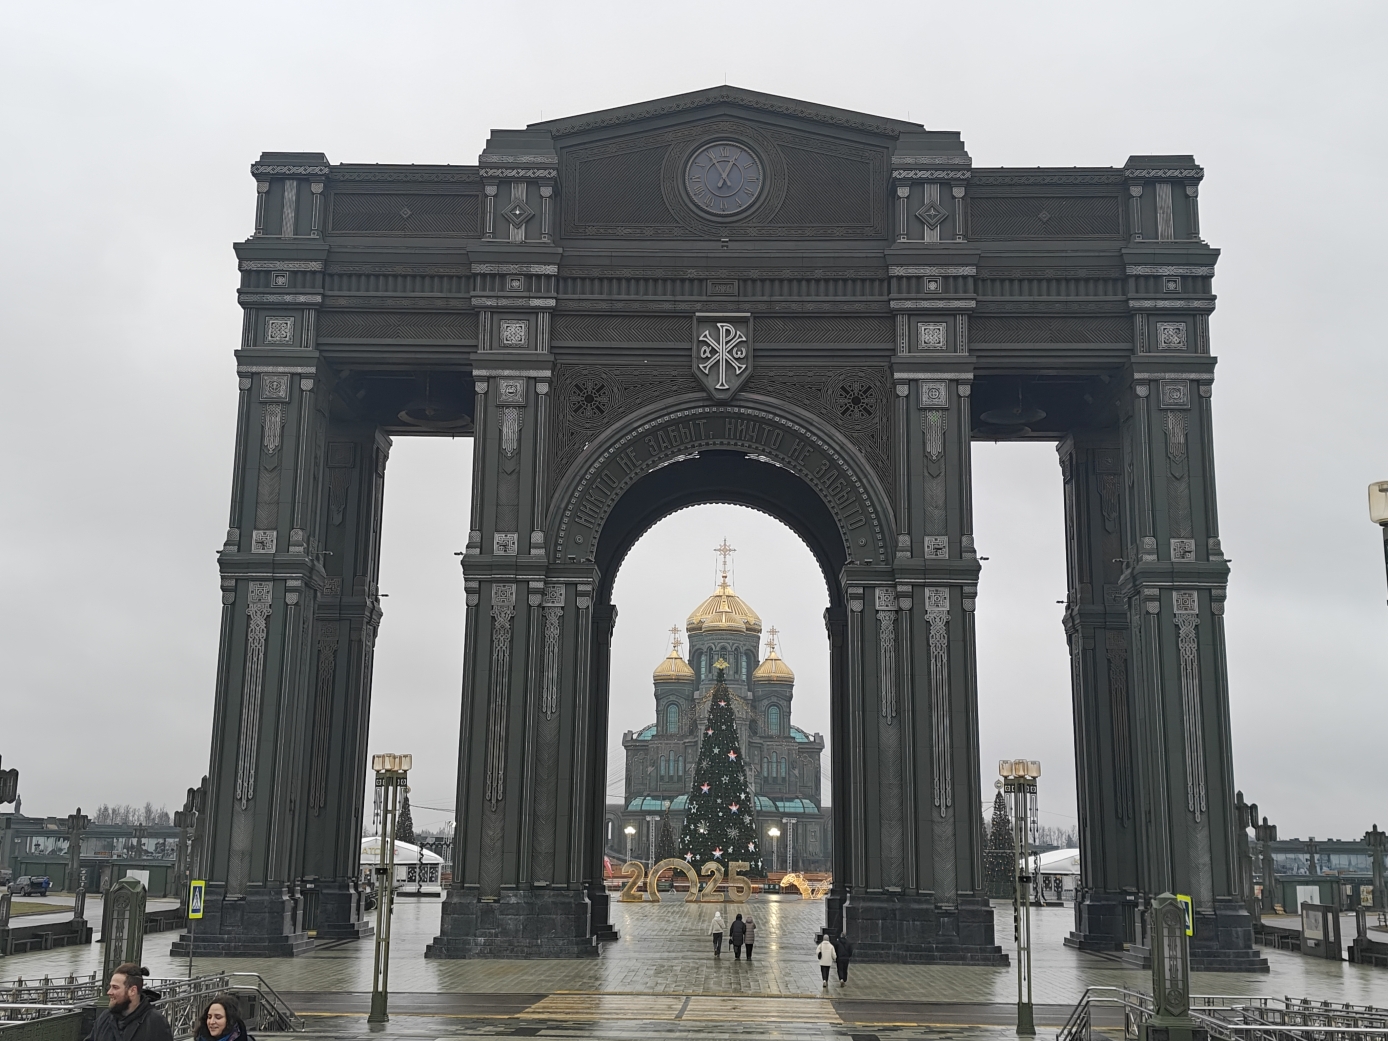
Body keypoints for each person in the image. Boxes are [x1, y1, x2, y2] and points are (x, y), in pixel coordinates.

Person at [87, 964, 173, 1041]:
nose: (109, 992)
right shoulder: (105, 1017)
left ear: (132, 991)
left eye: (115, 987)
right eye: (110, 987)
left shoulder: (155, 1022)